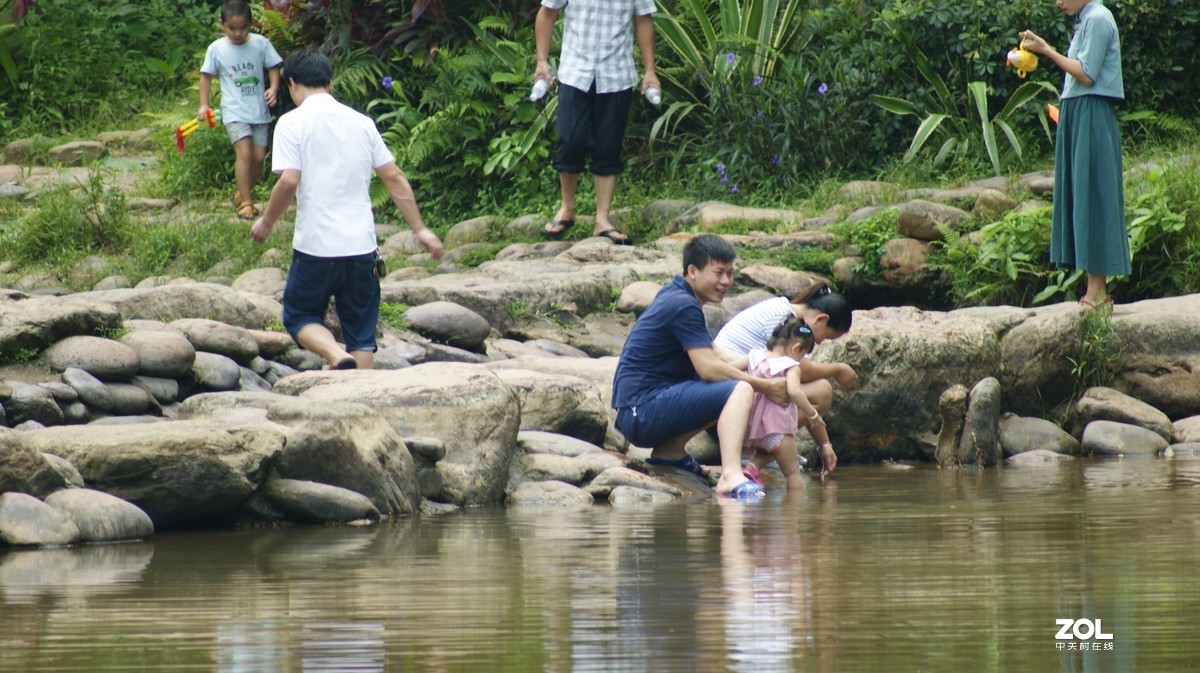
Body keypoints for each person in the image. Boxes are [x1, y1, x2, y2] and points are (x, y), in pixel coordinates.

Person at [250, 49, 444, 370]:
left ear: (292, 84)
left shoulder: (291, 122)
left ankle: (337, 356)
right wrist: (420, 229)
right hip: (361, 247)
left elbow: (288, 181)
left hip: (316, 246)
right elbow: (393, 177)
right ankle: (362, 398)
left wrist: (268, 221)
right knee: (361, 332)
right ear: (329, 82)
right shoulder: (362, 122)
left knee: (299, 315)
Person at [612, 234, 790, 499]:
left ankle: (670, 452)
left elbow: (717, 354)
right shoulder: (683, 305)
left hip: (639, 410)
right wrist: (763, 385)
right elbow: (709, 368)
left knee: (734, 381)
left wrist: (766, 360)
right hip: (642, 412)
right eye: (718, 273)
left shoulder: (677, 293)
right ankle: (731, 475)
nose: (726, 282)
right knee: (739, 389)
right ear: (692, 271)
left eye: (730, 274)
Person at [1020, 0, 1128, 309]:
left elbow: (1086, 74)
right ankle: (1093, 289)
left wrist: (1047, 51)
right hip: (1078, 112)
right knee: (1081, 195)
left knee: (1094, 194)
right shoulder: (1084, 19)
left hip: (1091, 112)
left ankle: (1098, 292)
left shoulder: (1097, 18)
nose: (1058, 2)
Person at [533, 0, 658, 245]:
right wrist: (542, 61)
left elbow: (643, 19)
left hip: (616, 73)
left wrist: (650, 70)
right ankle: (567, 209)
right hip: (574, 71)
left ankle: (602, 220)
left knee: (608, 145)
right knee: (570, 139)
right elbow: (547, 13)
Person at [713, 283, 857, 416]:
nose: (820, 342)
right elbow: (804, 371)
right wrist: (837, 369)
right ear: (820, 319)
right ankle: (767, 440)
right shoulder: (784, 318)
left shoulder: (783, 308)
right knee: (822, 392)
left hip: (736, 382)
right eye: (827, 337)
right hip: (728, 392)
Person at [199, 1, 283, 220]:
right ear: (222, 24)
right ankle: (246, 202)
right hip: (234, 111)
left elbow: (274, 66)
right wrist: (203, 104)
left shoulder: (261, 44)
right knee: (244, 154)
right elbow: (206, 76)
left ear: (251, 24)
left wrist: (273, 88)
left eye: (243, 28)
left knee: (258, 157)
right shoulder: (216, 49)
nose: (237, 33)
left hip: (259, 111)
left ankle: (241, 193)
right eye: (232, 28)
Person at [739, 316, 837, 489]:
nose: (801, 359)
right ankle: (794, 512)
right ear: (796, 348)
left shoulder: (754, 356)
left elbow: (729, 369)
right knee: (793, 473)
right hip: (777, 429)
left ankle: (752, 468)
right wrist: (812, 414)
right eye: (803, 354)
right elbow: (794, 392)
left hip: (754, 430)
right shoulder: (790, 365)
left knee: (767, 451)